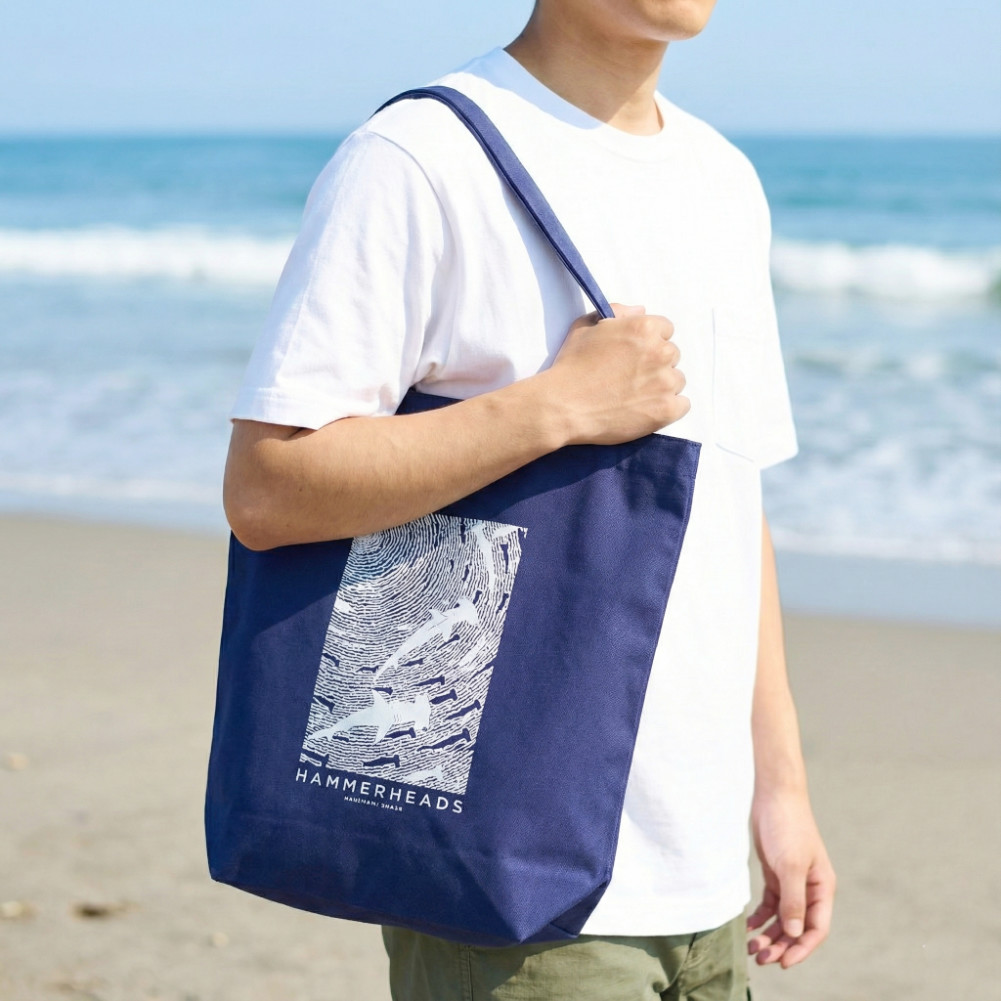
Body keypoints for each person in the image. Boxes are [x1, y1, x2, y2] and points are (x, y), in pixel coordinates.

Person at [223, 0, 836, 997]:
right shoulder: (418, 157)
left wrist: (780, 786)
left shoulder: (723, 179)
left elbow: (728, 505)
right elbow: (268, 486)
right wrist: (552, 408)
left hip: (703, 871)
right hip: (509, 867)